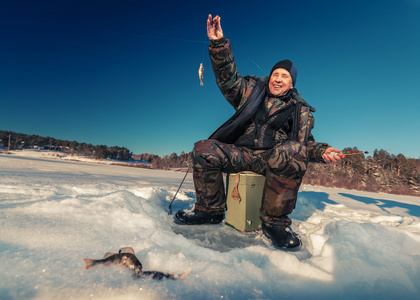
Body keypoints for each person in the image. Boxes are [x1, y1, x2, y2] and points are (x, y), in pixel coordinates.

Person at [175, 15, 342, 249]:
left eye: (285, 76)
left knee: (293, 151)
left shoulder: (299, 111)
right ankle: (209, 211)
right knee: (204, 148)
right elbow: (228, 79)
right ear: (270, 77)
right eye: (276, 74)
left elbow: (305, 144)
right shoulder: (250, 91)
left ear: (291, 84)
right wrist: (218, 45)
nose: (278, 79)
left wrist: (323, 152)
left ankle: (275, 223)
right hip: (241, 154)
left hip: (268, 159)